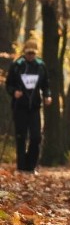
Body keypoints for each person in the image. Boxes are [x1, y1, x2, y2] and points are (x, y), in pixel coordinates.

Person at [5, 39, 52, 174]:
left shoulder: (41, 66)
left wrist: (47, 95)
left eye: (33, 53)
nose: (31, 56)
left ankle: (31, 166)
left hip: (35, 107)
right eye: (28, 53)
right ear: (24, 52)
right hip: (19, 106)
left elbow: (46, 85)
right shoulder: (17, 65)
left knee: (36, 137)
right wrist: (14, 92)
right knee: (21, 136)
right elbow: (8, 84)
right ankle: (21, 166)